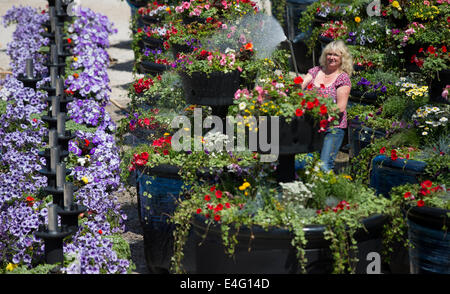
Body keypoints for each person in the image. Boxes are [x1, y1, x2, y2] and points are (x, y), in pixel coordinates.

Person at [301, 39, 353, 172]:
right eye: (329, 54)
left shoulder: (343, 78)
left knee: (324, 166)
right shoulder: (315, 71)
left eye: (336, 55)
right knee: (306, 163)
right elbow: (300, 85)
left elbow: (341, 107)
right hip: (312, 125)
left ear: (342, 58)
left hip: (333, 128)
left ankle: (327, 191)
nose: (331, 57)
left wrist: (317, 110)